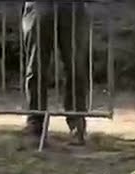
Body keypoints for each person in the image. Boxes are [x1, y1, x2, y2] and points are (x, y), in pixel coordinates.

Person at [21, 0, 92, 145]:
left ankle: (77, 123)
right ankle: (35, 123)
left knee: (76, 67)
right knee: (36, 67)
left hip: (72, 6)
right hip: (39, 5)